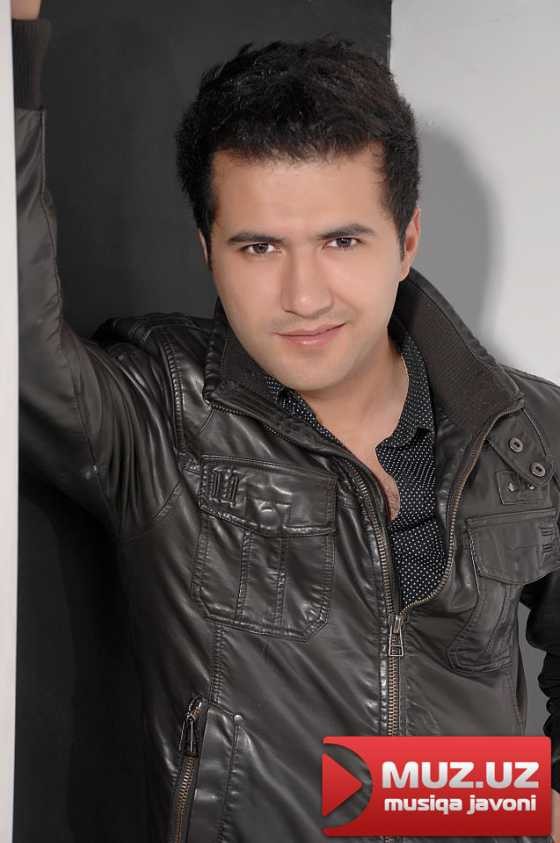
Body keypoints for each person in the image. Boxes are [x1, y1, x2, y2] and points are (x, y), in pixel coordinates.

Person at [12, 1, 560, 841]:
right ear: (207, 250)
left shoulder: (529, 432)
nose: (304, 297)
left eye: (342, 241)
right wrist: (13, 47)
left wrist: (521, 808)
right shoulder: (166, 410)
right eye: (259, 247)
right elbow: (16, 340)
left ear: (408, 238)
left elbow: (386, 787)